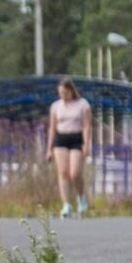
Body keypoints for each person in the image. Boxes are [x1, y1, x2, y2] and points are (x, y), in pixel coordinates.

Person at [46, 76, 91, 218]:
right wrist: (49, 148)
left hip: (77, 138)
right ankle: (66, 205)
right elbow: (52, 128)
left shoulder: (83, 104)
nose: (63, 96)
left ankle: (81, 198)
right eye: (60, 93)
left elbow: (86, 126)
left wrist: (86, 144)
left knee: (75, 173)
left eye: (65, 93)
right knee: (63, 172)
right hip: (61, 139)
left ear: (71, 91)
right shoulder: (55, 106)